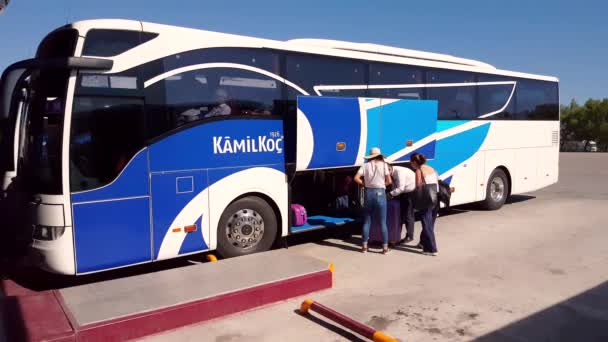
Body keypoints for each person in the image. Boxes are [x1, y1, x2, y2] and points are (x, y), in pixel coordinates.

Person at [354, 147, 392, 254]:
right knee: (382, 222)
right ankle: (385, 248)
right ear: (380, 155)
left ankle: (364, 247)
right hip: (380, 193)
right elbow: (389, 181)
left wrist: (365, 184)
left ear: (370, 156)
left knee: (367, 221)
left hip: (369, 193)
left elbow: (356, 178)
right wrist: (381, 185)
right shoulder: (384, 165)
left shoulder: (365, 166)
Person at [410, 153, 439, 256]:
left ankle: (432, 249)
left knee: (427, 224)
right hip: (435, 197)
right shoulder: (431, 168)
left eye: (411, 162)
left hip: (426, 199)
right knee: (429, 223)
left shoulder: (419, 170)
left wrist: (412, 192)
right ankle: (422, 243)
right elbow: (437, 180)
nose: (410, 164)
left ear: (414, 162)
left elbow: (418, 185)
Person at [387, 164, 416, 243]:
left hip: (409, 192)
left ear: (389, 169)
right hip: (403, 192)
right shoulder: (392, 172)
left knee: (408, 215)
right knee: (400, 214)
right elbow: (395, 185)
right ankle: (396, 235)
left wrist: (390, 194)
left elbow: (400, 188)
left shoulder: (399, 172)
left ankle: (409, 236)